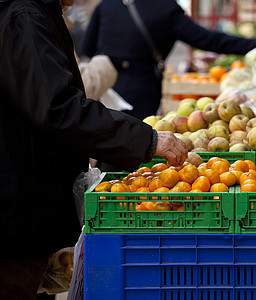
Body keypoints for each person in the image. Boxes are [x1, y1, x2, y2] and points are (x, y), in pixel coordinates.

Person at [0, 0, 187, 299]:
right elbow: (60, 108)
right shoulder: (25, 15)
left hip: (24, 205)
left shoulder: (38, 12)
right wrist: (147, 140)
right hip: (16, 211)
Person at [80, 0, 256, 120]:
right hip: (142, 89)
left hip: (104, 88)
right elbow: (210, 40)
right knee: (133, 147)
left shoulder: (107, 5)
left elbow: (86, 48)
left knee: (106, 145)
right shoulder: (164, 8)